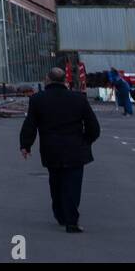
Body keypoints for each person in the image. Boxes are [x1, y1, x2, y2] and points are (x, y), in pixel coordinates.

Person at [20, 67, 102, 234]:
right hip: (76, 148)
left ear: (47, 80)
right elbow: (93, 126)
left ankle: (59, 214)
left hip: (51, 148)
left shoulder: (37, 99)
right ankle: (71, 220)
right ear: (64, 80)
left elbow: (30, 124)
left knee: (55, 182)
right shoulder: (79, 98)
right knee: (73, 184)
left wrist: (26, 145)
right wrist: (86, 141)